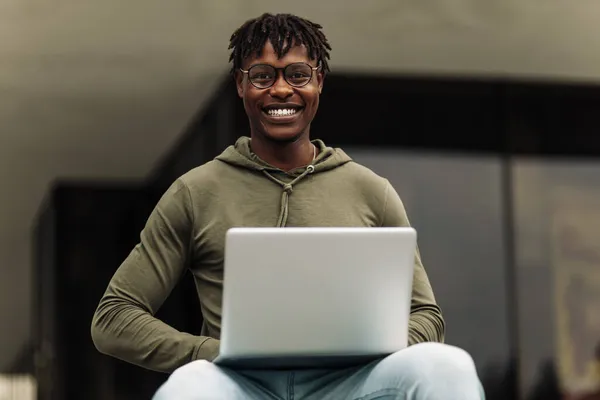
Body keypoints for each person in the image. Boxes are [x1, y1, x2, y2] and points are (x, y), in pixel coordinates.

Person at [91, 12, 485, 399]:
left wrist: (372, 350)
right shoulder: (196, 191)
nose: (281, 90)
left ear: (319, 82)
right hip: (238, 384)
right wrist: (207, 353)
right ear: (240, 86)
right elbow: (113, 318)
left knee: (447, 367)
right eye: (262, 76)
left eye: (297, 74)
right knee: (188, 387)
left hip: (351, 385)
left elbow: (427, 317)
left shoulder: (370, 190)